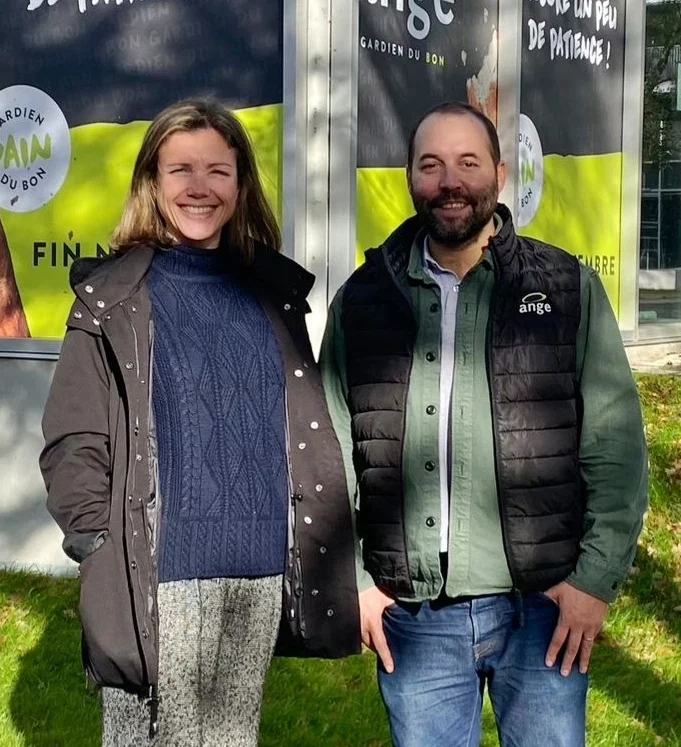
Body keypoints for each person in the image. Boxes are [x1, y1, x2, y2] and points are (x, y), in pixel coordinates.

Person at [320, 101, 648, 747]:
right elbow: (326, 452)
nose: (450, 181)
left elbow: (614, 444)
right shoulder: (362, 300)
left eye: (467, 162)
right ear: (408, 177)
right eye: (431, 164)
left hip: (543, 608)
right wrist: (352, 581)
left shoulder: (564, 289)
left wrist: (592, 581)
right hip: (413, 617)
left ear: (498, 174)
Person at [40, 99, 360, 747]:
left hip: (260, 573)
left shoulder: (271, 293)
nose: (198, 187)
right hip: (160, 571)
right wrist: (98, 544)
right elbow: (74, 438)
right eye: (180, 169)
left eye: (217, 170)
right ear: (151, 182)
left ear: (240, 184)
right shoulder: (116, 298)